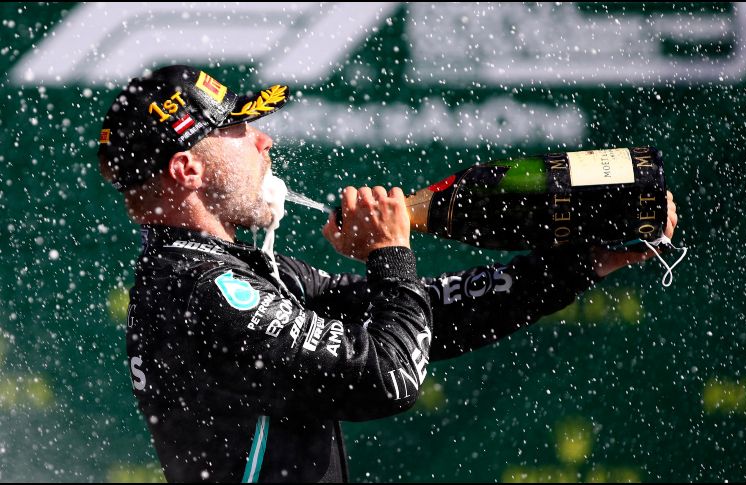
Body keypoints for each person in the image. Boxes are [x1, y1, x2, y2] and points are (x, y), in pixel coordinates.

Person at [98, 65, 678, 483]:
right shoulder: (203, 292)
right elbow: (388, 376)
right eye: (238, 129)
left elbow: (429, 316)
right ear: (188, 169)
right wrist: (389, 250)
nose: (262, 139)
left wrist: (583, 262)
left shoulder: (220, 273)